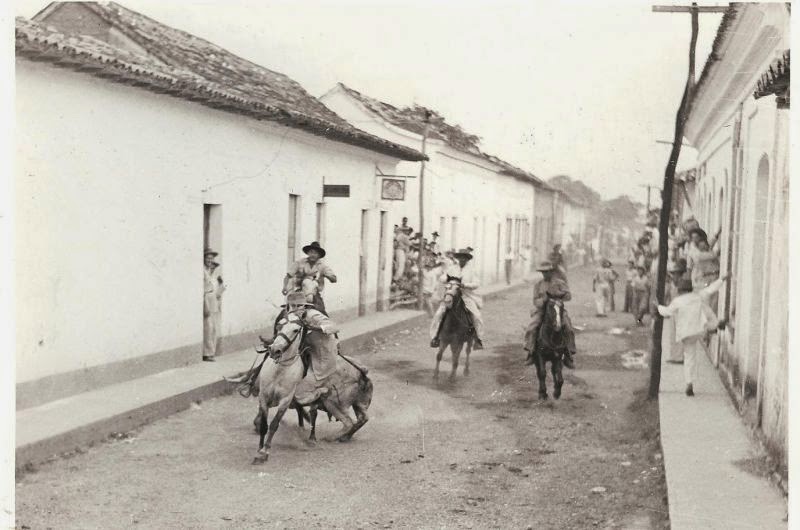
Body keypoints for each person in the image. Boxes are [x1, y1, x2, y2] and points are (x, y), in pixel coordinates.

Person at [658, 274, 729, 397]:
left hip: (686, 334)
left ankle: (689, 383)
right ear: (690, 289)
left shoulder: (677, 301)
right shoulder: (698, 296)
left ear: (680, 290)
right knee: (705, 309)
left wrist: (657, 306)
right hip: (699, 330)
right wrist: (722, 279)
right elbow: (711, 289)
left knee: (689, 357)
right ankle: (715, 325)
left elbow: (666, 312)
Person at [272, 292, 340, 406]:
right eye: (293, 306)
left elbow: (334, 327)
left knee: (299, 393)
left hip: (323, 353)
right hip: (308, 351)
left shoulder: (312, 315)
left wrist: (314, 327)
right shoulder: (291, 317)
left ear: (305, 305)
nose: (296, 309)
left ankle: (322, 392)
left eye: (299, 306)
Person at [523, 261, 576, 368]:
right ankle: (531, 352)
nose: (545, 274)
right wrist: (543, 300)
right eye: (543, 272)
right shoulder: (538, 284)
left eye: (547, 272)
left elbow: (569, 296)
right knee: (531, 328)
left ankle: (568, 354)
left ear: (551, 272)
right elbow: (535, 301)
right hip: (542, 310)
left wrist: (560, 295)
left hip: (557, 309)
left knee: (568, 328)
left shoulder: (560, 283)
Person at [430, 248, 484, 350]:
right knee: (439, 314)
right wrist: (445, 279)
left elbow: (476, 283)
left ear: (467, 259)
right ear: (458, 258)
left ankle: (478, 339)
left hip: (466, 295)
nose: (462, 260)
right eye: (460, 258)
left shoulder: (472, 270)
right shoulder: (452, 268)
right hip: (452, 294)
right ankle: (435, 337)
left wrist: (465, 285)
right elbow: (444, 277)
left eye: (464, 258)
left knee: (476, 316)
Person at [284, 241, 337, 314]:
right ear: (308, 253)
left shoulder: (322, 266)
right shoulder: (299, 263)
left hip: (314, 294)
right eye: (311, 252)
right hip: (298, 293)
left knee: (322, 313)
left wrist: (330, 277)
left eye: (315, 253)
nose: (313, 255)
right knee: (286, 314)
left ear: (319, 255)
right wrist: (284, 287)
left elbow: (334, 279)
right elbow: (288, 276)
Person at [203, 248, 225, 361]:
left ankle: (212, 352)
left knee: (214, 328)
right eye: (208, 258)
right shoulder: (203, 272)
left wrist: (219, 293)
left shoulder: (214, 274)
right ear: (204, 258)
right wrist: (205, 306)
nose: (210, 261)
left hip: (214, 300)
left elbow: (220, 286)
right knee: (208, 327)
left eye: (211, 258)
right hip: (207, 299)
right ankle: (207, 353)